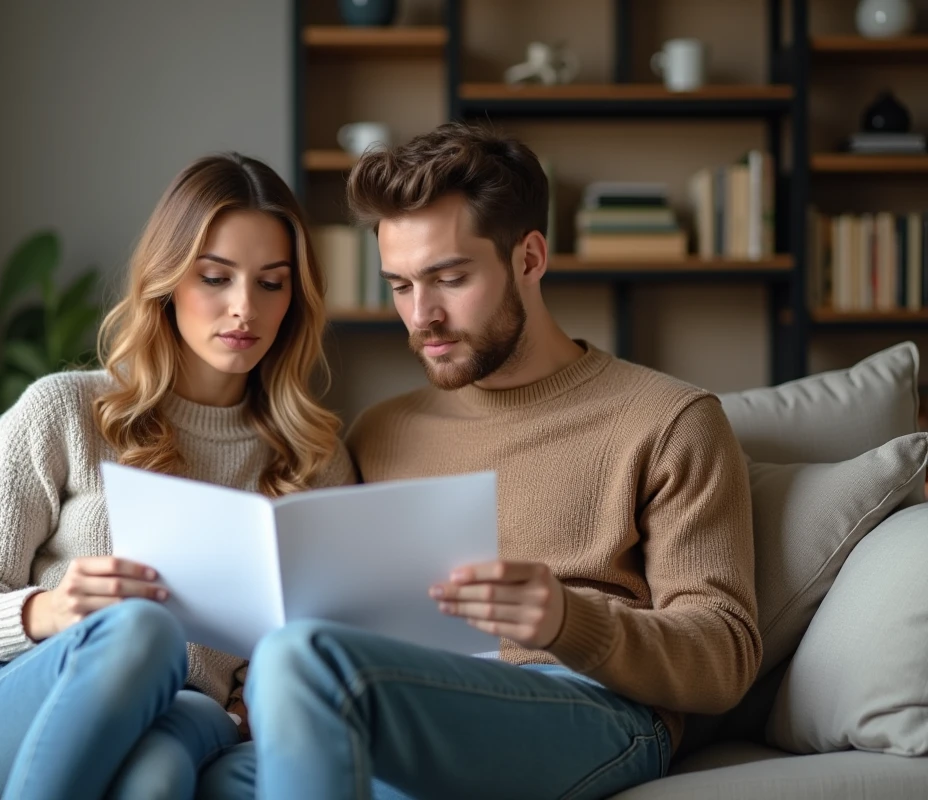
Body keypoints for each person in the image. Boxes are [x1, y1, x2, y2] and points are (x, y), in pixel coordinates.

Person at [198, 122, 762, 800]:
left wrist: (566, 620)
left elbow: (725, 656)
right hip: (407, 707)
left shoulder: (670, 420)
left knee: (300, 660)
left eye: (450, 278)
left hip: (592, 706)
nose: (421, 316)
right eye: (400, 285)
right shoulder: (380, 431)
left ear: (529, 258)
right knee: (210, 774)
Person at [0, 153, 356, 800]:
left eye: (271, 283)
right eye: (215, 277)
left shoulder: (314, 459)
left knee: (159, 775)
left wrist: (252, 701)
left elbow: (309, 648)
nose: (244, 308)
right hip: (0, 707)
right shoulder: (65, 410)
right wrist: (49, 611)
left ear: (295, 297)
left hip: (181, 719)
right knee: (145, 631)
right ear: (167, 281)